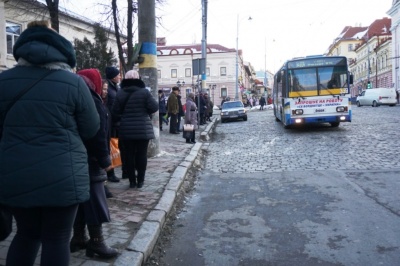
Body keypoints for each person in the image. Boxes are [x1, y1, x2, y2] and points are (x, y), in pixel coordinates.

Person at [0, 20, 99, 266]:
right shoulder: (74, 83)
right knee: (57, 238)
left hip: (15, 174)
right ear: (62, 49)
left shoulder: (4, 81)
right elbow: (91, 128)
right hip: (63, 175)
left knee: (25, 234)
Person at [70, 68, 118, 259]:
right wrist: (105, 159)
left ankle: (79, 237)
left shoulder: (77, 97)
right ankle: (97, 242)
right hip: (92, 159)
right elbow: (97, 133)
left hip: (78, 157)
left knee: (82, 201)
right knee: (95, 200)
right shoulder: (92, 100)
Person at [112, 70, 159, 188]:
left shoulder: (120, 93)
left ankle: (132, 181)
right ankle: (141, 181)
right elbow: (154, 107)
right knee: (141, 154)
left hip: (126, 129)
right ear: (138, 78)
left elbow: (115, 112)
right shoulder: (144, 92)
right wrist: (145, 111)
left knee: (129, 155)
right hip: (143, 129)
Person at [105, 66, 122, 182]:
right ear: (112, 77)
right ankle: (109, 173)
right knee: (110, 148)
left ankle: (112, 171)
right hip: (110, 122)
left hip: (115, 122)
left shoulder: (115, 88)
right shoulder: (109, 89)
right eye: (118, 75)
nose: (120, 76)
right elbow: (111, 107)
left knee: (113, 147)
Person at [101, 79, 114, 198]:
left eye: (106, 89)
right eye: (103, 89)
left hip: (106, 137)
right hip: (101, 140)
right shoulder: (98, 103)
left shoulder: (104, 103)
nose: (105, 92)